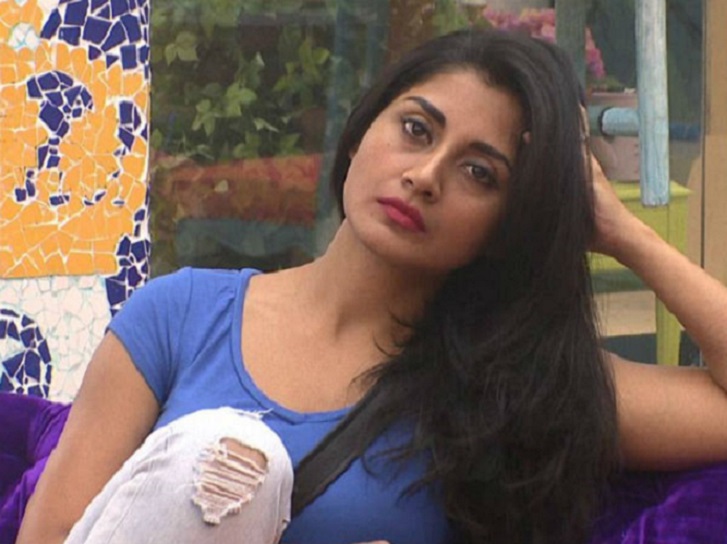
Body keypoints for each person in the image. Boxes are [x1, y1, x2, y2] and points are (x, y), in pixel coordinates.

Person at [14, 27, 727, 544]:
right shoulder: (179, 314)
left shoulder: (514, 382)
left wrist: (620, 231)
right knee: (222, 451)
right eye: (416, 129)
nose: (426, 175)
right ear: (360, 134)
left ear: (506, 223)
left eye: (479, 173)